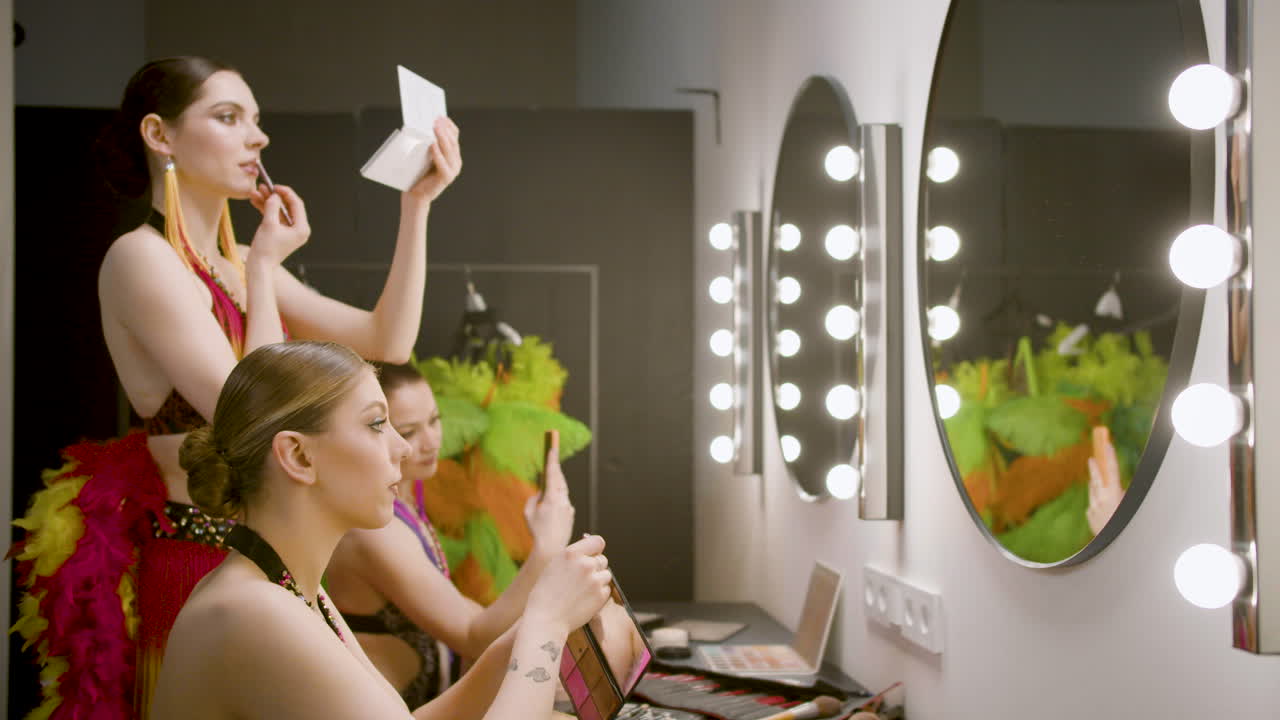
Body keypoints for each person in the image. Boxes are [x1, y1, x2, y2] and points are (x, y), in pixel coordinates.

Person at [10, 55, 461, 719]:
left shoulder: (239, 262)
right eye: (228, 118)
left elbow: (388, 341)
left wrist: (415, 207)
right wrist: (265, 269)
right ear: (159, 135)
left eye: (257, 120)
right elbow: (256, 410)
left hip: (270, 554)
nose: (258, 138)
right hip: (201, 559)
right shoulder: (141, 259)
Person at [149, 340, 613, 720]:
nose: (402, 450)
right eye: (377, 424)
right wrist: (546, 626)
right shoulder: (253, 610)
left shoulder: (285, 587)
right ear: (298, 457)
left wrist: (526, 633)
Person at [325, 363, 576, 706]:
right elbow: (472, 634)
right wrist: (546, 548)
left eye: (435, 419)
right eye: (409, 431)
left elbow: (465, 613)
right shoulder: (374, 530)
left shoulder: (410, 495)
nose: (431, 441)